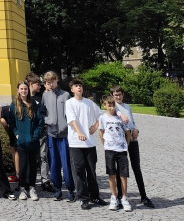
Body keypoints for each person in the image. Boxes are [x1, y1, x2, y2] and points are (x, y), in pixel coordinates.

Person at [65, 78, 106, 210]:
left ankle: (95, 196)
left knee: (91, 171)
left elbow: (101, 116)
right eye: (76, 86)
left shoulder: (89, 103)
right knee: (79, 171)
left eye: (80, 86)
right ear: (72, 90)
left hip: (89, 143)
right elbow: (72, 120)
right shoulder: (69, 103)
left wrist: (95, 126)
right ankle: (83, 197)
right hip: (76, 143)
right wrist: (79, 133)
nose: (79, 88)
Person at [110, 85, 154, 208]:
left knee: (136, 168)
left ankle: (143, 196)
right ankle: (119, 197)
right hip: (120, 141)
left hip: (132, 140)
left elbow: (131, 122)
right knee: (120, 170)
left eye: (119, 94)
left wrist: (135, 129)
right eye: (115, 95)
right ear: (112, 96)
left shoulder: (127, 107)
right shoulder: (113, 108)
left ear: (123, 95)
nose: (118, 97)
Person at [41, 71, 75, 203]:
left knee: (66, 163)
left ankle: (71, 190)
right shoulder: (45, 95)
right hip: (51, 134)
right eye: (48, 82)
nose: (50, 84)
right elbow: (42, 113)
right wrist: (47, 120)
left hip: (64, 135)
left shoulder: (65, 95)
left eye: (52, 81)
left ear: (57, 80)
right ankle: (58, 189)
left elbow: (70, 114)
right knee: (54, 163)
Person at [9, 80, 45, 201]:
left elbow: (40, 122)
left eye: (25, 88)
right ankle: (23, 187)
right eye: (21, 89)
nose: (23, 91)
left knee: (33, 165)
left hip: (33, 140)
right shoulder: (14, 104)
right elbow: (11, 121)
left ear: (28, 90)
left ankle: (32, 187)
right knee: (23, 165)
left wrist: (36, 135)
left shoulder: (33, 104)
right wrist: (16, 133)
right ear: (18, 90)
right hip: (22, 141)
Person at [99, 94, 132, 212]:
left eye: (113, 105)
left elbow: (127, 132)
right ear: (105, 106)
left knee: (123, 175)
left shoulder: (121, 118)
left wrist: (126, 144)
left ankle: (124, 197)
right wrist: (105, 144)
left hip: (121, 149)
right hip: (109, 150)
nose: (112, 108)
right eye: (109, 106)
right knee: (111, 174)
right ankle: (114, 196)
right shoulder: (102, 118)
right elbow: (101, 132)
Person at [27, 73, 52, 192]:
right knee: (28, 158)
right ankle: (27, 180)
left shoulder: (41, 97)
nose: (40, 86)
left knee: (43, 157)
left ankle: (45, 180)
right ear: (31, 85)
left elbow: (45, 112)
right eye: (38, 84)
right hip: (28, 133)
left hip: (41, 131)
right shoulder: (24, 97)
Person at [0, 104, 19, 183]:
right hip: (16, 129)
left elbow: (3, 122)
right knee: (15, 151)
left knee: (15, 151)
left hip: (14, 130)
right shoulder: (5, 108)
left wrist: (9, 133)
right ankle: (18, 173)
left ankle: (18, 174)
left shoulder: (2, 110)